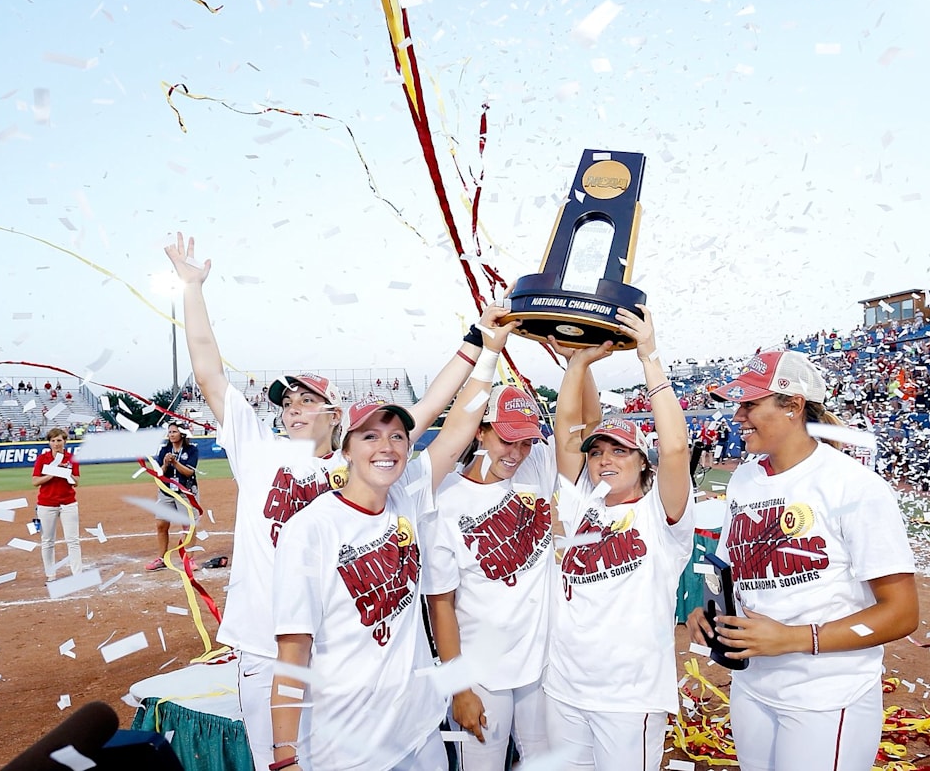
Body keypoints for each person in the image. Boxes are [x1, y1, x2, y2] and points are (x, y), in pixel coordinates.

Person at [164, 233, 494, 771]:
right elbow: (208, 372)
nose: (294, 409)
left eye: (308, 400)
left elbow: (435, 413)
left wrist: (478, 343)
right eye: (287, 402)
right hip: (269, 644)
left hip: (348, 650)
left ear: (336, 417)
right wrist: (192, 289)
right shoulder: (260, 452)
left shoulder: (365, 469)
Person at [268, 312, 515, 771]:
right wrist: (284, 755)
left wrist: (490, 352)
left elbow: (460, 427)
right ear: (346, 448)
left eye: (397, 436)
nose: (387, 446)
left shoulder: (408, 497)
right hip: (348, 749)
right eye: (370, 436)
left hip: (417, 732)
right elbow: (293, 649)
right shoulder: (311, 529)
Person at [688, 349, 919, 771]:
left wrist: (794, 638)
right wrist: (706, 612)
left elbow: (902, 613)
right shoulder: (745, 477)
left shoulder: (853, 486)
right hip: (753, 684)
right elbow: (730, 570)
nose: (737, 417)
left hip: (826, 694)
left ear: (793, 405)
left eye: (750, 404)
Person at [544, 306, 693, 771]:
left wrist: (648, 355)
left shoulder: (660, 514)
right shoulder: (579, 501)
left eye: (621, 452)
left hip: (629, 699)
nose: (606, 459)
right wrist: (577, 364)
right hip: (564, 687)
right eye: (599, 452)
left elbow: (675, 448)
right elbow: (566, 431)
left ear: (642, 462)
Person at [423, 379, 599, 770]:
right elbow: (441, 605)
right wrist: (460, 688)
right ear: (481, 430)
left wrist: (580, 363)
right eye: (507, 439)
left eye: (526, 441)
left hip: (541, 665)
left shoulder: (534, 465)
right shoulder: (443, 500)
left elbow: (583, 426)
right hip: (482, 672)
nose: (518, 452)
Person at [148, 420, 201, 571]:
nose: (171, 435)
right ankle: (161, 558)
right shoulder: (164, 450)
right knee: (161, 524)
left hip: (185, 492)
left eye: (174, 432)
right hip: (167, 491)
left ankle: (189, 559)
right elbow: (159, 474)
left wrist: (175, 463)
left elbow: (190, 472)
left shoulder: (191, 450)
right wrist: (165, 464)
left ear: (182, 433)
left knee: (188, 525)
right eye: (170, 432)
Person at [30, 427, 82, 580]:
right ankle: (50, 574)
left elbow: (76, 482)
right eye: (53, 441)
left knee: (73, 540)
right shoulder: (43, 459)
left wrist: (66, 473)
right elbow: (35, 481)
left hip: (68, 503)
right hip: (46, 504)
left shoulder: (72, 458)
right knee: (47, 541)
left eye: (59, 440)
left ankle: (77, 574)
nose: (56, 444)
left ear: (65, 441)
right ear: (49, 443)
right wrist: (52, 474)